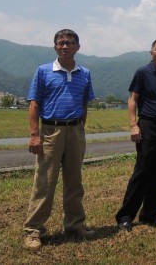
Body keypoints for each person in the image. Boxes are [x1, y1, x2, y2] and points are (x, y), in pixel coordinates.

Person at [23, 29, 95, 251]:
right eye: (61, 43)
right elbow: (34, 103)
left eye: (70, 43)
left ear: (78, 47)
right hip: (50, 132)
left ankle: (74, 225)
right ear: (55, 46)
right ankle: (33, 230)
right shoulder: (44, 71)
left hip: (75, 131)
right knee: (44, 182)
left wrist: (80, 128)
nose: (65, 46)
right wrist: (35, 134)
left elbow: (85, 102)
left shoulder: (85, 72)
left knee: (74, 181)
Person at [115, 39, 156, 232]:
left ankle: (150, 214)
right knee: (143, 170)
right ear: (151, 52)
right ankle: (125, 216)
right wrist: (134, 125)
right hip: (148, 124)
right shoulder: (142, 72)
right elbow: (133, 100)